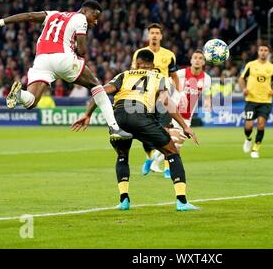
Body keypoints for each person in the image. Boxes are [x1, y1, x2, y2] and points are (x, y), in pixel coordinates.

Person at [71, 50, 200, 211]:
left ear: (136, 63)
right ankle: (182, 201)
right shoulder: (159, 77)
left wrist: (87, 114)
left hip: (118, 117)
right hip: (140, 117)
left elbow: (100, 90)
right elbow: (167, 102)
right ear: (153, 65)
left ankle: (124, 200)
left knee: (122, 155)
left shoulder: (124, 75)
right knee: (172, 152)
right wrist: (185, 126)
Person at [0, 0, 131, 139]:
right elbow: (83, 50)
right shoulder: (81, 19)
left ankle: (19, 94)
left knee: (31, 102)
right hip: (63, 58)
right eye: (95, 16)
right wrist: (76, 50)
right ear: (85, 10)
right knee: (96, 85)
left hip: (41, 60)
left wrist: (1, 22)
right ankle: (114, 127)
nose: (96, 21)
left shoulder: (53, 14)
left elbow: (29, 16)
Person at [149, 49, 212, 173]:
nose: (197, 60)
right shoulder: (182, 73)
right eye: (195, 57)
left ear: (204, 62)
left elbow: (207, 94)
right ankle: (169, 169)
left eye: (200, 58)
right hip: (174, 113)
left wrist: (207, 103)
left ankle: (153, 161)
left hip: (188, 116)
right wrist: (177, 95)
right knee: (173, 141)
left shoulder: (207, 78)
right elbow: (169, 82)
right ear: (191, 60)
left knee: (177, 144)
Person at [131, 23, 180, 178]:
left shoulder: (169, 55)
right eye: (151, 32)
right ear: (148, 35)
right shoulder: (139, 53)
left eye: (157, 33)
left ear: (161, 36)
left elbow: (174, 76)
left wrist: (178, 93)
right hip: (146, 98)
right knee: (146, 133)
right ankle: (149, 158)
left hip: (163, 98)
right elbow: (133, 73)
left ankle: (167, 166)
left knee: (165, 132)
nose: (154, 35)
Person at [238, 45, 273, 158]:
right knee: (249, 125)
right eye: (261, 50)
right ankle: (248, 139)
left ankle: (256, 148)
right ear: (258, 52)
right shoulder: (250, 65)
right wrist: (243, 89)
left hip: (266, 101)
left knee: (261, 124)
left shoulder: (272, 67)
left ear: (268, 53)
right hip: (251, 100)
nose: (263, 52)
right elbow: (241, 78)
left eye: (266, 50)